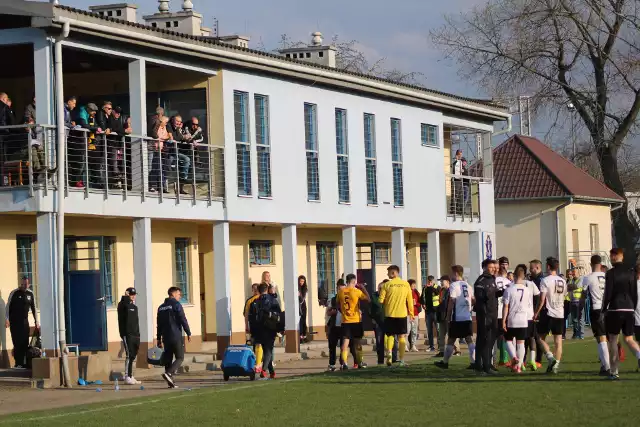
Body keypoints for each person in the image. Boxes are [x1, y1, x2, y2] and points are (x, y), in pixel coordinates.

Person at [602, 248, 640, 380]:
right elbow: (634, 294)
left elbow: (608, 293)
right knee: (629, 338)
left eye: (613, 256)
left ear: (619, 256)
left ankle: (614, 371)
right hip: (629, 309)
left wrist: (603, 310)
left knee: (613, 339)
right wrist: (632, 308)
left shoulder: (611, 273)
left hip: (615, 309)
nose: (612, 258)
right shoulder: (631, 273)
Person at [435, 265, 476, 370]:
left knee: (451, 340)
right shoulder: (468, 285)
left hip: (457, 317)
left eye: (452, 273)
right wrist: (469, 307)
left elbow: (452, 301)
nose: (451, 275)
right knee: (469, 340)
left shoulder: (454, 285)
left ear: (456, 274)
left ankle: (445, 362)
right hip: (467, 317)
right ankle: (473, 362)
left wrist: (448, 316)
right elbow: (473, 299)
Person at [502, 264, 539, 373]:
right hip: (524, 319)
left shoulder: (509, 289)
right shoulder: (527, 290)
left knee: (508, 340)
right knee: (521, 343)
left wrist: (503, 320)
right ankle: (518, 367)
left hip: (512, 319)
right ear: (523, 276)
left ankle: (514, 357)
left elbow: (506, 306)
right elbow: (529, 305)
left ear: (513, 275)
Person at [533, 257, 567, 374]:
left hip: (548, 313)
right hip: (560, 313)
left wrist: (536, 313)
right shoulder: (563, 281)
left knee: (540, 338)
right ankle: (555, 366)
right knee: (558, 341)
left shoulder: (545, 280)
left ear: (548, 266)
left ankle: (550, 357)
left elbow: (542, 300)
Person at [156, 287, 191, 388]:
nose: (180, 297)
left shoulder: (161, 307)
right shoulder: (176, 304)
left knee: (168, 359)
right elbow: (182, 319)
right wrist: (188, 332)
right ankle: (169, 373)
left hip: (165, 337)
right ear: (174, 294)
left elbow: (159, 324)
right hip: (175, 335)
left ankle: (170, 383)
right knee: (180, 357)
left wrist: (158, 338)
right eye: (179, 294)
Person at [379, 265, 413, 367]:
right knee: (402, 336)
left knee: (390, 335)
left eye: (388, 272)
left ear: (394, 273)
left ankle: (389, 353)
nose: (387, 274)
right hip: (402, 314)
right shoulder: (406, 284)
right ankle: (402, 360)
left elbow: (380, 300)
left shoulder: (387, 285)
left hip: (389, 314)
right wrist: (411, 313)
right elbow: (410, 301)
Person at [581, 255, 609, 375]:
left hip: (597, 309)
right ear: (601, 263)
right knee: (605, 338)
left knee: (601, 337)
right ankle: (604, 365)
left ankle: (607, 367)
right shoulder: (606, 276)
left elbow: (583, 294)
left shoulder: (588, 277)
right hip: (609, 308)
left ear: (591, 264)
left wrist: (580, 309)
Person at [338, 273, 370, 370]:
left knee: (345, 343)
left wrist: (344, 312)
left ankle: (344, 363)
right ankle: (360, 362)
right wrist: (363, 288)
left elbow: (338, 304)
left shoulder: (341, 292)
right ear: (354, 281)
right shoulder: (356, 291)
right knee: (357, 343)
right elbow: (368, 299)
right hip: (356, 320)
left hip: (345, 321)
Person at [4, 277, 39, 369]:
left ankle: (25, 363)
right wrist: (6, 319)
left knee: (24, 343)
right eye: (22, 284)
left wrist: (37, 322)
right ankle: (18, 363)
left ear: (29, 284)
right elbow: (7, 307)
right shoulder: (14, 293)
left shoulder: (30, 294)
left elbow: (34, 309)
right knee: (17, 342)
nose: (23, 286)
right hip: (14, 322)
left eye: (25, 284)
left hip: (24, 322)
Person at [250, 283, 282, 379]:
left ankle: (272, 372)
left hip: (258, 330)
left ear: (258, 291)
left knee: (265, 349)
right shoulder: (272, 300)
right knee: (268, 350)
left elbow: (251, 319)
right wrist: (279, 328)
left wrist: (252, 333)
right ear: (267, 289)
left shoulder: (254, 302)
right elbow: (279, 315)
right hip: (270, 329)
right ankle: (264, 370)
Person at [474, 259, 500, 374]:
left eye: (494, 267)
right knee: (485, 340)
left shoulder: (492, 279)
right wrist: (485, 315)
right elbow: (480, 300)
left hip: (493, 314)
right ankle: (485, 366)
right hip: (485, 315)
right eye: (491, 267)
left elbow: (493, 295)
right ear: (484, 268)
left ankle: (481, 365)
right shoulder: (481, 281)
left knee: (489, 340)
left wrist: (503, 291)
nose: (493, 269)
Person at [370, 279, 398, 365]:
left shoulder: (389, 296)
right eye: (379, 288)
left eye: (382, 289)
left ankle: (394, 358)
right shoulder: (374, 296)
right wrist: (373, 319)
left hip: (389, 320)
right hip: (378, 322)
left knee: (393, 340)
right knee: (379, 342)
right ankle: (380, 360)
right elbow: (371, 308)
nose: (380, 290)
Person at [117, 287, 141, 385]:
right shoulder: (123, 305)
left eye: (134, 294)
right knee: (129, 355)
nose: (133, 296)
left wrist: (138, 334)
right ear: (127, 294)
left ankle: (131, 375)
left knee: (133, 355)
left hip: (135, 334)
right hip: (127, 334)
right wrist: (126, 296)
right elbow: (123, 304)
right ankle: (127, 376)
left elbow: (136, 322)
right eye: (131, 294)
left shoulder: (134, 307)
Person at [525, 259, 544, 369]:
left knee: (537, 337)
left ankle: (538, 360)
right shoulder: (532, 280)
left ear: (537, 268)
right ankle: (529, 360)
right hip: (531, 312)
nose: (530, 270)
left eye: (531, 268)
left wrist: (537, 312)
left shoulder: (540, 280)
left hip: (537, 313)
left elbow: (539, 299)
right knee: (530, 336)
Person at [495, 256, 512, 367]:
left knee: (503, 336)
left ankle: (504, 358)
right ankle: (503, 358)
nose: (504, 266)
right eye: (502, 264)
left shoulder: (509, 281)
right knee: (501, 336)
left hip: (505, 311)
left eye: (505, 264)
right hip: (499, 311)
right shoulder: (498, 280)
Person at [243, 284, 263, 373]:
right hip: (254, 325)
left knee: (261, 344)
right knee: (256, 343)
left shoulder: (263, 298)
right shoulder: (249, 301)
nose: (255, 291)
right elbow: (246, 314)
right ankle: (258, 363)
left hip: (263, 325)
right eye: (254, 289)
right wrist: (246, 326)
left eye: (256, 289)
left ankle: (260, 363)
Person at [421, 275, 440, 352]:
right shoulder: (425, 288)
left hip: (436, 311)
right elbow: (422, 297)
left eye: (431, 281)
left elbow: (437, 293)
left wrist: (431, 287)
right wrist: (423, 304)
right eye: (428, 281)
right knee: (429, 330)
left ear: (433, 281)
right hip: (428, 312)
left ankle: (440, 345)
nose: (429, 282)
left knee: (438, 329)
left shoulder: (437, 287)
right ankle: (431, 346)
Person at [435, 276, 451, 357]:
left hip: (448, 314)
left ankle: (457, 350)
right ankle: (442, 351)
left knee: (451, 334)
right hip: (441, 313)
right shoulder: (441, 290)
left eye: (442, 281)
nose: (441, 282)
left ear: (447, 281)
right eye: (440, 281)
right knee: (441, 334)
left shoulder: (451, 290)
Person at [568, 268, 585, 339]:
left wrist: (572, 287)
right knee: (574, 320)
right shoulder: (571, 280)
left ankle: (581, 335)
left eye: (574, 272)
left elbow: (576, 286)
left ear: (578, 273)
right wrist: (572, 287)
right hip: (572, 301)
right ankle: (576, 334)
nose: (573, 273)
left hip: (579, 302)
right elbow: (568, 287)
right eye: (572, 272)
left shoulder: (581, 279)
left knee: (580, 319)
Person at [408, 279, 421, 352]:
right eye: (413, 284)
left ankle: (413, 345)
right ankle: (406, 345)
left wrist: (416, 303)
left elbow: (420, 302)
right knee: (407, 331)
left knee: (414, 330)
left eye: (414, 284)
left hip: (415, 313)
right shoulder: (406, 292)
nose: (414, 286)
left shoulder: (416, 292)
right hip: (408, 313)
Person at [298, 275, 308, 343]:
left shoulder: (305, 289)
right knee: (299, 321)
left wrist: (299, 295)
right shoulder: (296, 288)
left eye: (303, 281)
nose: (302, 283)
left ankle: (304, 336)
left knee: (303, 320)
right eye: (301, 281)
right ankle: (300, 336)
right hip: (297, 306)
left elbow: (302, 300)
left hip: (303, 306)